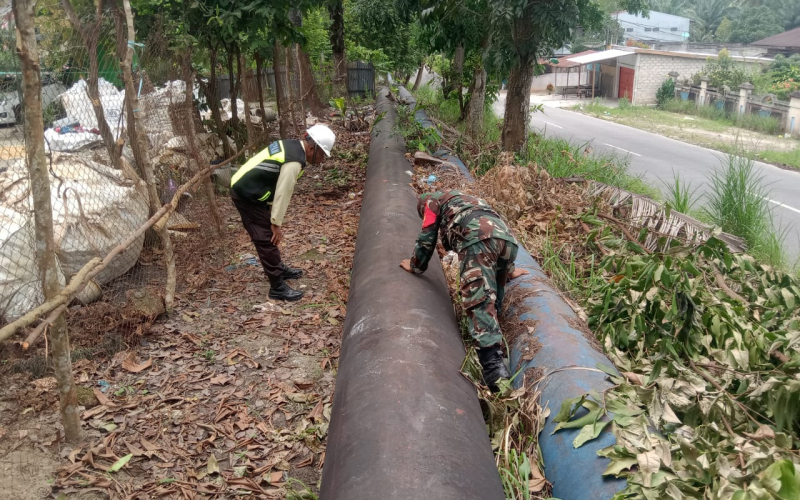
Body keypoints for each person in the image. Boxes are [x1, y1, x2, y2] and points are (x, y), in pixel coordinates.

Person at [400, 190, 528, 391]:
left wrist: (416, 265)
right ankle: (499, 344)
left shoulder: (431, 202)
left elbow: (427, 237)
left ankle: (493, 368)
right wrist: (509, 270)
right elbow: (493, 226)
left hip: (478, 240)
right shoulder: (468, 199)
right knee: (494, 296)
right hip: (508, 241)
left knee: (479, 300)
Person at [230, 124, 336, 302]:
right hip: (246, 193)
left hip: (255, 189)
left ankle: (278, 268)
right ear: (312, 148)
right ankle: (277, 286)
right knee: (266, 238)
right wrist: (276, 223)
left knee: (268, 235)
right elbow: (283, 193)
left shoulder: (291, 146)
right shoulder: (293, 162)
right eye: (322, 154)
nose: (322, 160)